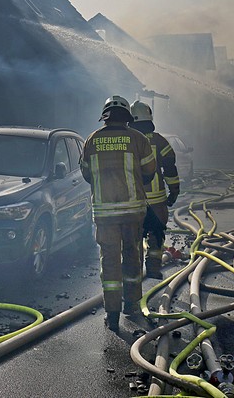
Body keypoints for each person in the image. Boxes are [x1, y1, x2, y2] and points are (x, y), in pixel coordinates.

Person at [80, 95, 157, 332]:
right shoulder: (138, 139)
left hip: (105, 215)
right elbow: (149, 172)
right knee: (132, 257)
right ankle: (131, 305)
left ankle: (112, 314)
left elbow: (86, 174)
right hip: (133, 213)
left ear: (105, 116)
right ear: (126, 117)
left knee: (110, 262)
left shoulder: (92, 140)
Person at [128, 100, 180, 280]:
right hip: (156, 201)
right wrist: (174, 192)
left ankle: (135, 273)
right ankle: (152, 269)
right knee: (156, 236)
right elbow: (170, 167)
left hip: (132, 200)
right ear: (149, 118)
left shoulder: (128, 140)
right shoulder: (159, 141)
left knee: (134, 238)